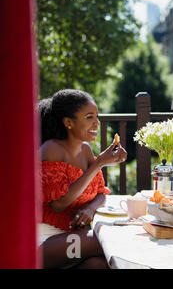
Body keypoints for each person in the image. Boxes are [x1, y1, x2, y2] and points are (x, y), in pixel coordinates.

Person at [38, 89, 127, 269]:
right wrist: (99, 163)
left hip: (73, 240)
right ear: (69, 123)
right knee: (107, 240)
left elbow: (101, 193)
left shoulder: (85, 150)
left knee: (100, 264)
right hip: (46, 241)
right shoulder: (51, 149)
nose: (96, 122)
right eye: (89, 117)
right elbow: (59, 204)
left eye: (96, 116)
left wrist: (90, 208)